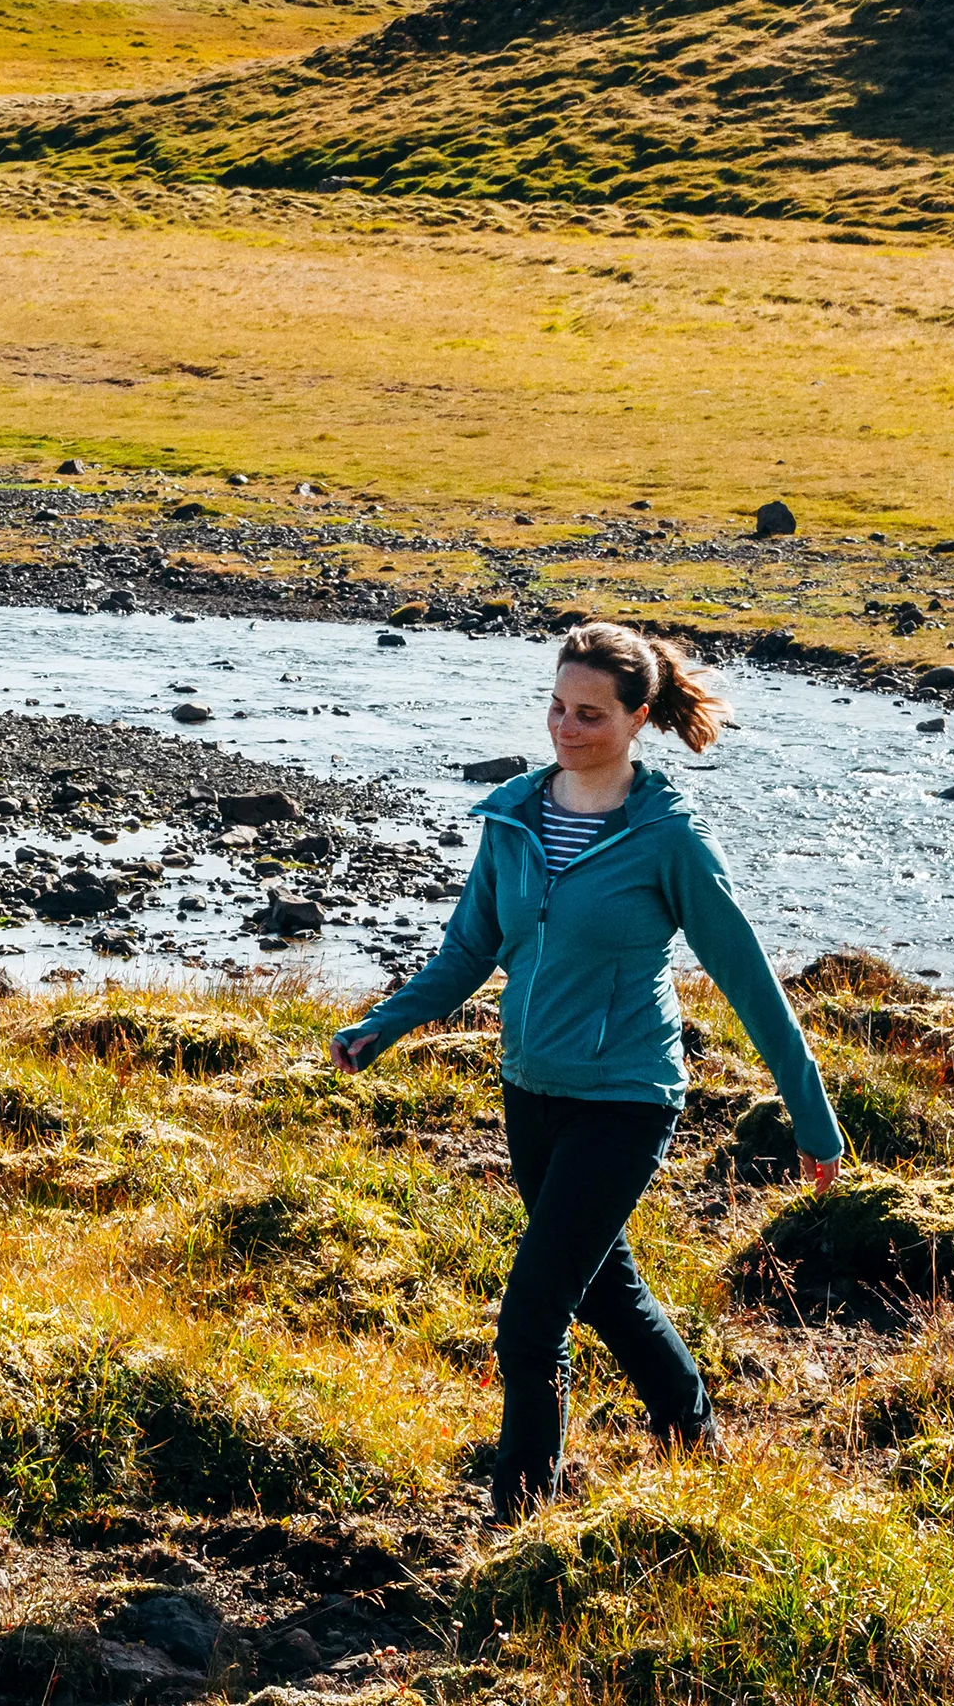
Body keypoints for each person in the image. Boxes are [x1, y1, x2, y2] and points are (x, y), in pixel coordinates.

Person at [332, 622, 843, 1523]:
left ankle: (518, 1518)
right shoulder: (515, 818)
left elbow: (747, 977)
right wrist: (388, 1022)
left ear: (639, 718)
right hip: (530, 1088)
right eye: (558, 708)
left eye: (591, 716)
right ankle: (694, 1433)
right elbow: (470, 950)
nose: (567, 729)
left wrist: (810, 1114)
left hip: (626, 1096)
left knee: (533, 1316)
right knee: (607, 1285)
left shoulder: (667, 841)